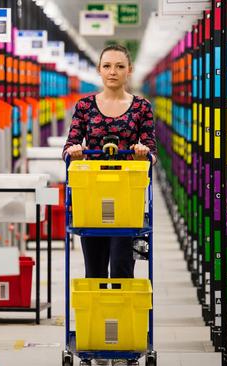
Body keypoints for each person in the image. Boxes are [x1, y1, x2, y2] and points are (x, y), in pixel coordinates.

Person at [63, 44, 157, 280]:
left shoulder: (142, 108)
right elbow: (69, 145)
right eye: (107, 66)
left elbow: (152, 153)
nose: (113, 71)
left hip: (127, 196)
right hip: (91, 195)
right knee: (94, 271)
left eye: (119, 66)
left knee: (122, 269)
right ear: (99, 70)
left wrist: (142, 154)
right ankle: (98, 316)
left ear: (129, 70)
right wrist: (75, 151)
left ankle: (120, 315)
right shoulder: (84, 107)